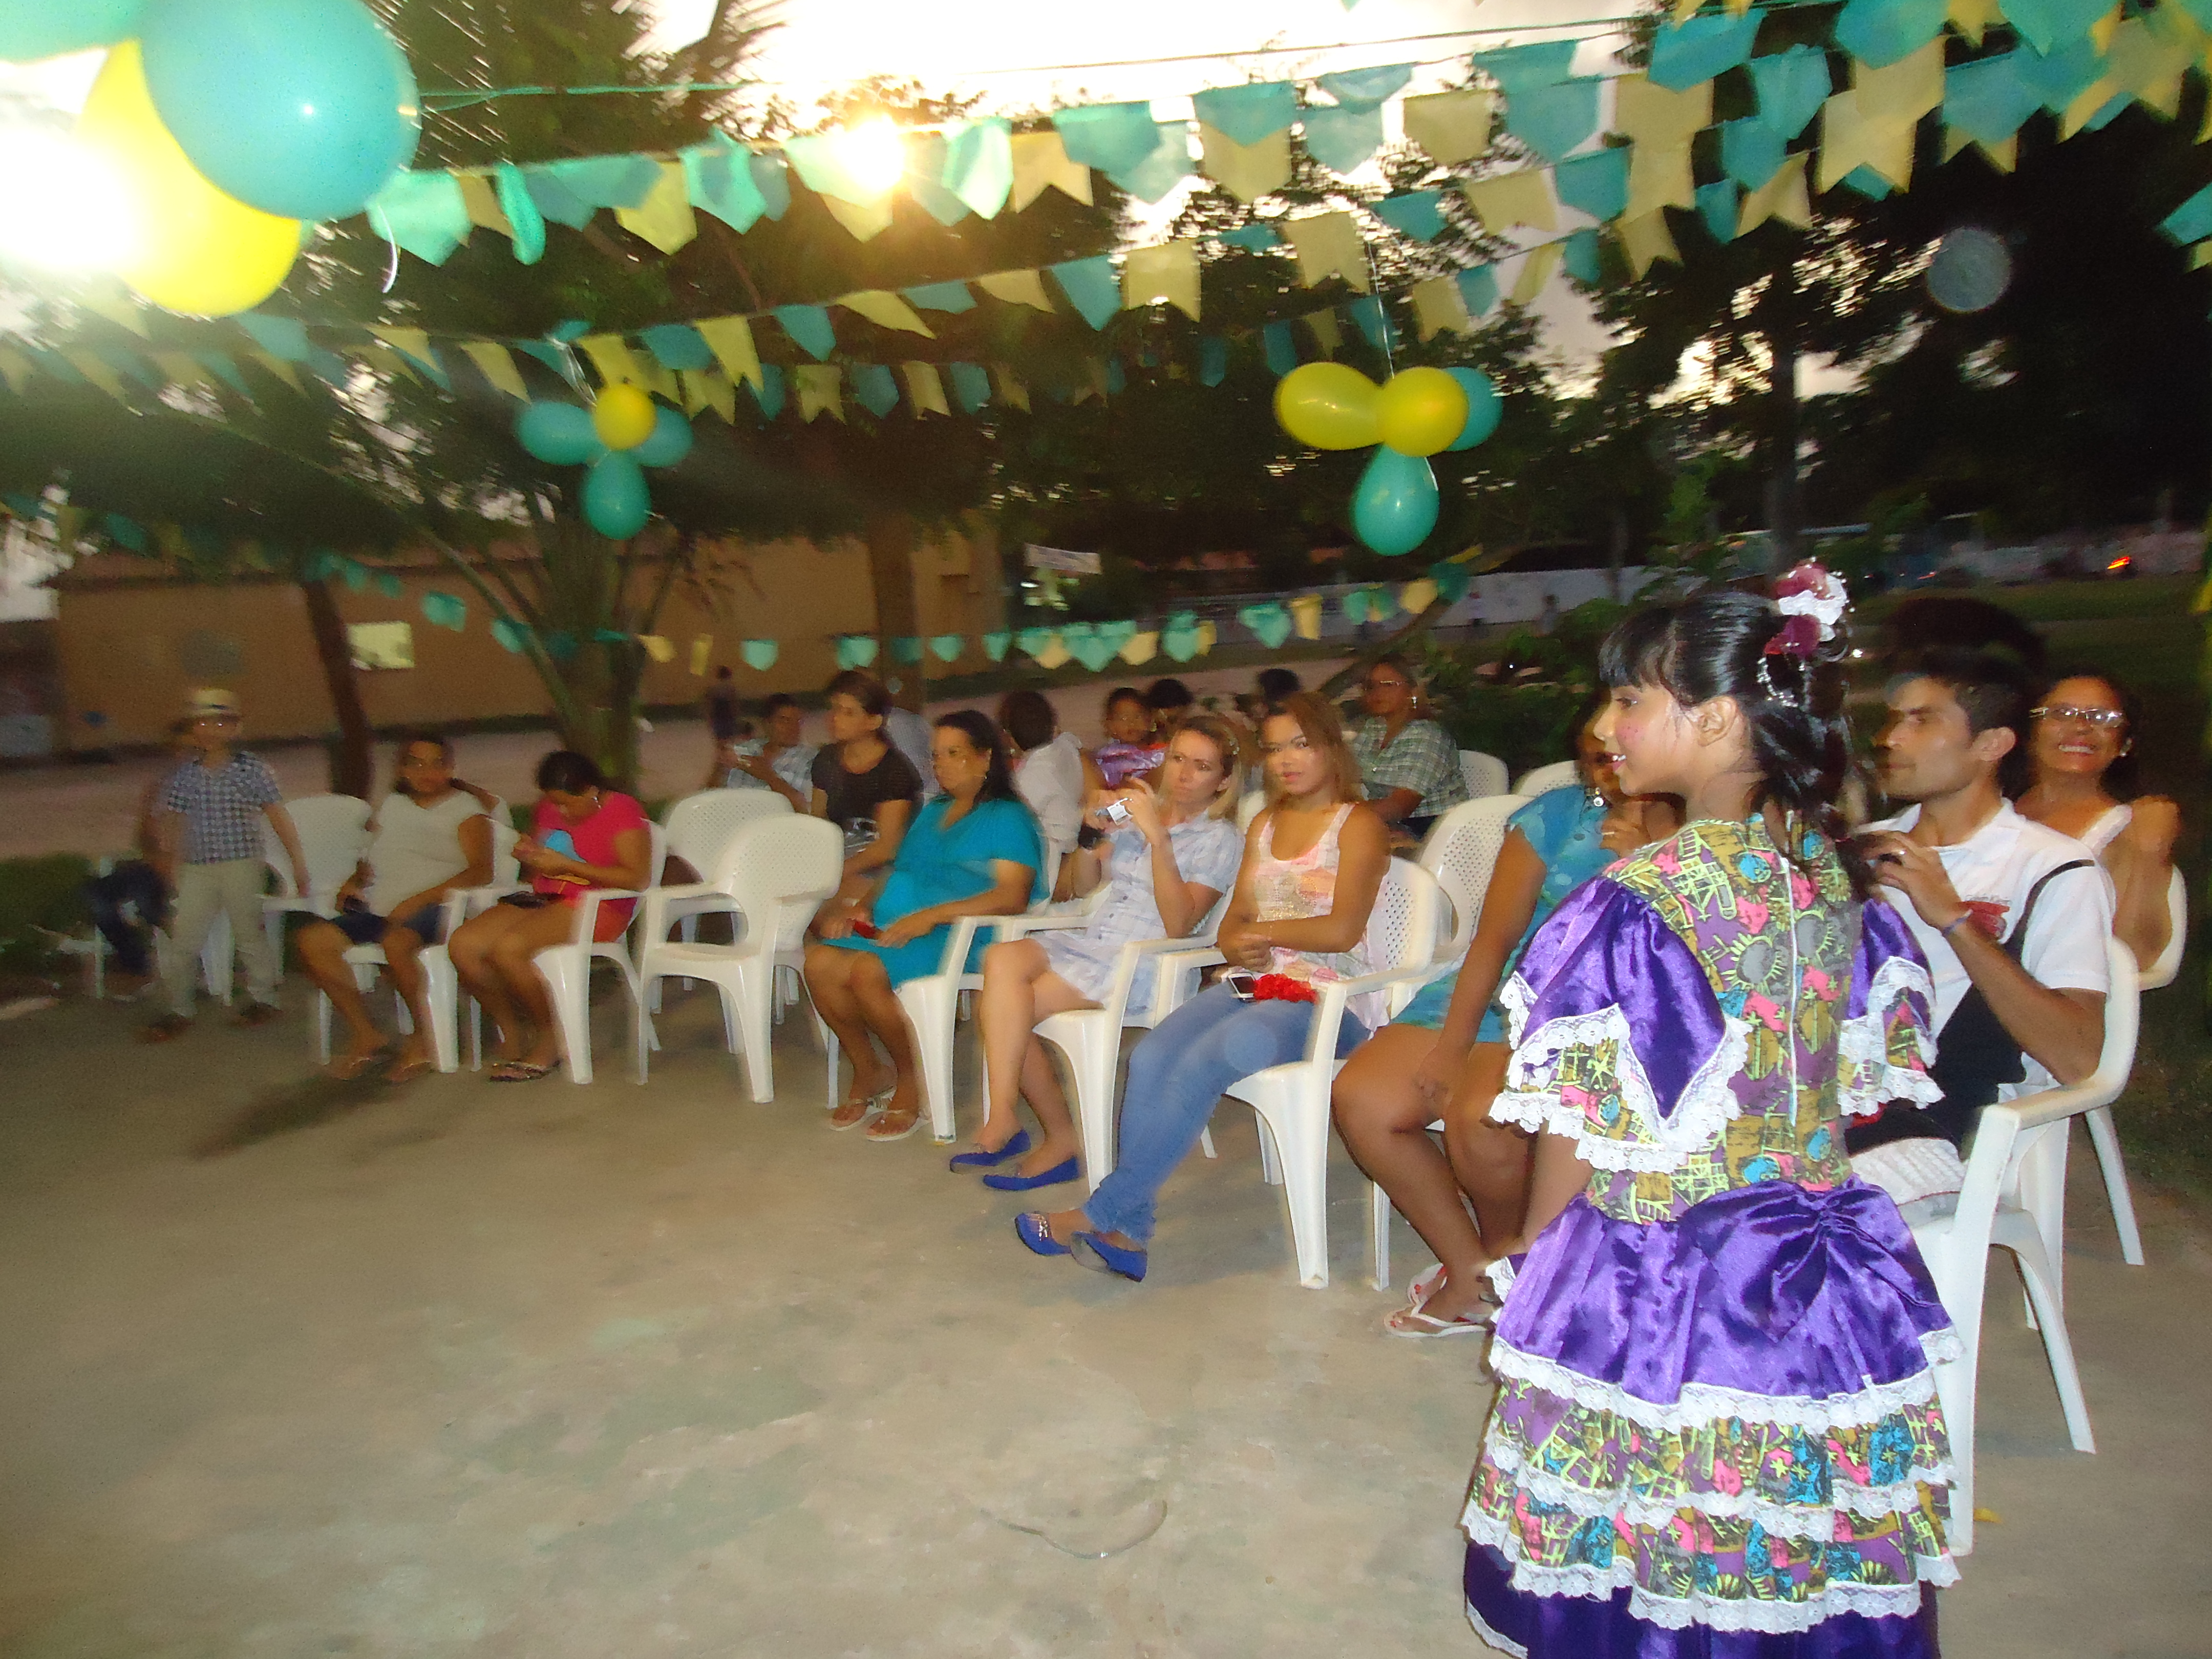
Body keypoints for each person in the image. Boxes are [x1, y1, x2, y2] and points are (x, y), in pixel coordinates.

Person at [1460, 576, 1956, 1656]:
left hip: (1672, 1265)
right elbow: (1824, 1095)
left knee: (1660, 1501)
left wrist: (1540, 1253)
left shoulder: (1645, 897)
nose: (1606, 727)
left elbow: (1592, 1125)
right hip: (1817, 1258)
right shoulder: (1831, 878)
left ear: (1720, 717)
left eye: (1630, 700)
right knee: (1786, 1508)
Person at [1012, 692, 1390, 1282]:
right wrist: (1242, 942)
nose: (1287, 760)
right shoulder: (1265, 824)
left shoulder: (1358, 824)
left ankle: (1097, 1215)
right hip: (1256, 983)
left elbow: (1341, 931)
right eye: (1275, 749)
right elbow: (1233, 924)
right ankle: (1129, 1236)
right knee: (1151, 1057)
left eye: (1301, 745)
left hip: (1329, 997)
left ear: (1330, 748)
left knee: (1203, 1063)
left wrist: (1261, 934)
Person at [1331, 701, 1678, 1335]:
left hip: (1602, 1007)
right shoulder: (1557, 816)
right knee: (1362, 1098)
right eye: (1596, 754)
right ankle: (1470, 1271)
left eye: (1619, 750)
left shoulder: (1699, 826)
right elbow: (1493, 941)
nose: (1608, 764)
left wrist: (1648, 860)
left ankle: (1516, 1265)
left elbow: (1684, 949)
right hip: (1504, 987)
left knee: (1484, 1122)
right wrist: (1452, 1044)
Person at [1847, 648, 2114, 1210]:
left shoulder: (2050, 868)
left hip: (1936, 1127)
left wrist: (1955, 920)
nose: (1891, 739)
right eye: (1894, 720)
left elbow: (2077, 1058)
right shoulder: (1858, 851)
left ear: (1991, 744)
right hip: (1831, 1101)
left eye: (1921, 721)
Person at [963, 714, 1245, 1189]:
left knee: (1004, 1006)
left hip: (1142, 961)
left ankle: (1053, 1137)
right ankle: (1008, 1115)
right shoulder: (1138, 811)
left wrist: (1159, 839)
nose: (1183, 774)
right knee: (1000, 960)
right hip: (1096, 940)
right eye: (1178, 758)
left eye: (1202, 766)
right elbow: (1079, 887)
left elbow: (1180, 924)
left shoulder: (1220, 838)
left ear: (1223, 781)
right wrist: (1090, 836)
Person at [805, 712, 1045, 1142]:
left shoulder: (1007, 816)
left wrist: (930, 917)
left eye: (954, 754)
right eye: (936, 756)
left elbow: (1013, 895)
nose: (941, 765)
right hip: (902, 923)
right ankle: (869, 1069)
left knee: (867, 973)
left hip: (962, 933)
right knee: (819, 963)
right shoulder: (935, 810)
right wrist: (863, 908)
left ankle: (911, 1077)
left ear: (986, 758)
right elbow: (899, 869)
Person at [295, 734, 496, 1080]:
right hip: (381, 906)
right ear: (403, 770)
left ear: (450, 768)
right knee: (312, 941)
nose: (426, 771)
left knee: (396, 943)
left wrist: (419, 900)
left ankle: (424, 1036)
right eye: (416, 763)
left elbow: (481, 871)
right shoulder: (393, 805)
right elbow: (373, 856)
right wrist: (353, 881)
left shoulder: (465, 810)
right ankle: (366, 1033)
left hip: (439, 906)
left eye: (436, 763)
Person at [446, 750, 652, 1082]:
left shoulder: (622, 810)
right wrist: (529, 855)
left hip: (598, 905)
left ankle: (551, 1036)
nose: (559, 811)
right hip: (544, 896)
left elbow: (636, 878)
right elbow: (541, 864)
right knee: (463, 946)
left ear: (591, 791)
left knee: (509, 949)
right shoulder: (548, 807)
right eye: (554, 803)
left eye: (567, 804)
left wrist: (568, 866)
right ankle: (511, 1028)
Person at [140, 689, 309, 1042]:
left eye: (219, 723)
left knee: (249, 932)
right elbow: (174, 821)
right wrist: (170, 864)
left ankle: (264, 998)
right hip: (197, 867)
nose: (210, 731)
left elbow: (277, 814)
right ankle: (178, 1007)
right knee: (184, 938)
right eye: (202, 723)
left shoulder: (252, 770)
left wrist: (297, 860)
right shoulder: (185, 775)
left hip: (240, 863)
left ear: (235, 728)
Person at [2015, 668, 2178, 972]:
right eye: (2061, 713)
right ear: (2029, 732)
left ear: (2125, 743)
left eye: (2102, 718)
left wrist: (2149, 852)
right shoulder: (1991, 812)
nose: (2081, 727)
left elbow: (2133, 954)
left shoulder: (2127, 829)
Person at [80, 717, 195, 998]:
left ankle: (186, 966)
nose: (186, 756)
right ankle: (138, 963)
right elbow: (144, 837)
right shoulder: (162, 787)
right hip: (156, 866)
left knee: (148, 899)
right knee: (96, 895)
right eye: (181, 749)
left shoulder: (217, 788)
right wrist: (155, 853)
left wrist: (170, 865)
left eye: (194, 749)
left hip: (196, 868)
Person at [811, 670, 925, 912]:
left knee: (819, 904)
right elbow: (818, 821)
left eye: (848, 712)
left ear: (874, 722)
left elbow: (886, 848)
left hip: (882, 868)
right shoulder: (826, 760)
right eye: (834, 709)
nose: (835, 718)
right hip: (837, 858)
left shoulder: (894, 772)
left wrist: (835, 873)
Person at [1347, 652, 1469, 836]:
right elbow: (1344, 774)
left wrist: (1341, 817)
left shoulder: (1428, 736)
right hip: (1388, 824)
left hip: (1435, 829)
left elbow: (1400, 806)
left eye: (1388, 685)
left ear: (1413, 691)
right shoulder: (1374, 728)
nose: (1377, 692)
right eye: (1371, 686)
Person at [997, 689, 1093, 862]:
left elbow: (1011, 823)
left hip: (1058, 851)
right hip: (1078, 833)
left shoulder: (1027, 777)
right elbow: (1072, 741)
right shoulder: (1065, 746)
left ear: (1010, 736)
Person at [715, 692, 817, 812]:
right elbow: (710, 798)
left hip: (780, 821)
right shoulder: (746, 750)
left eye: (798, 721)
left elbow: (807, 810)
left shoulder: (810, 758)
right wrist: (719, 768)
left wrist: (767, 775)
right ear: (767, 723)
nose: (793, 727)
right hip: (737, 818)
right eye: (784, 721)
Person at [1092, 686, 1162, 787]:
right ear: (1110, 725)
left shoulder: (1159, 754)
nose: (1132, 723)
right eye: (1123, 719)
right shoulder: (1107, 757)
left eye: (1137, 717)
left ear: (1150, 720)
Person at [704, 666, 742, 745]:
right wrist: (736, 712)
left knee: (719, 735)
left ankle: (720, 748)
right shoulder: (730, 687)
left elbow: (710, 702)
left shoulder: (713, 687)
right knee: (730, 735)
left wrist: (709, 715)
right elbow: (733, 701)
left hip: (717, 712)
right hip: (728, 712)